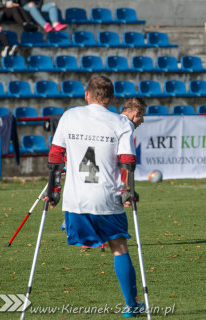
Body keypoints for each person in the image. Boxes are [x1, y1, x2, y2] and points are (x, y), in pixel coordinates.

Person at [47, 76, 145, 317]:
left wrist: (54, 191)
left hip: (74, 201)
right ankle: (131, 305)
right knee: (119, 247)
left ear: (86, 95)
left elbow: (55, 155)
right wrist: (128, 191)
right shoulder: (121, 122)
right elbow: (128, 161)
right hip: (107, 199)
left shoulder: (69, 115)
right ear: (112, 99)